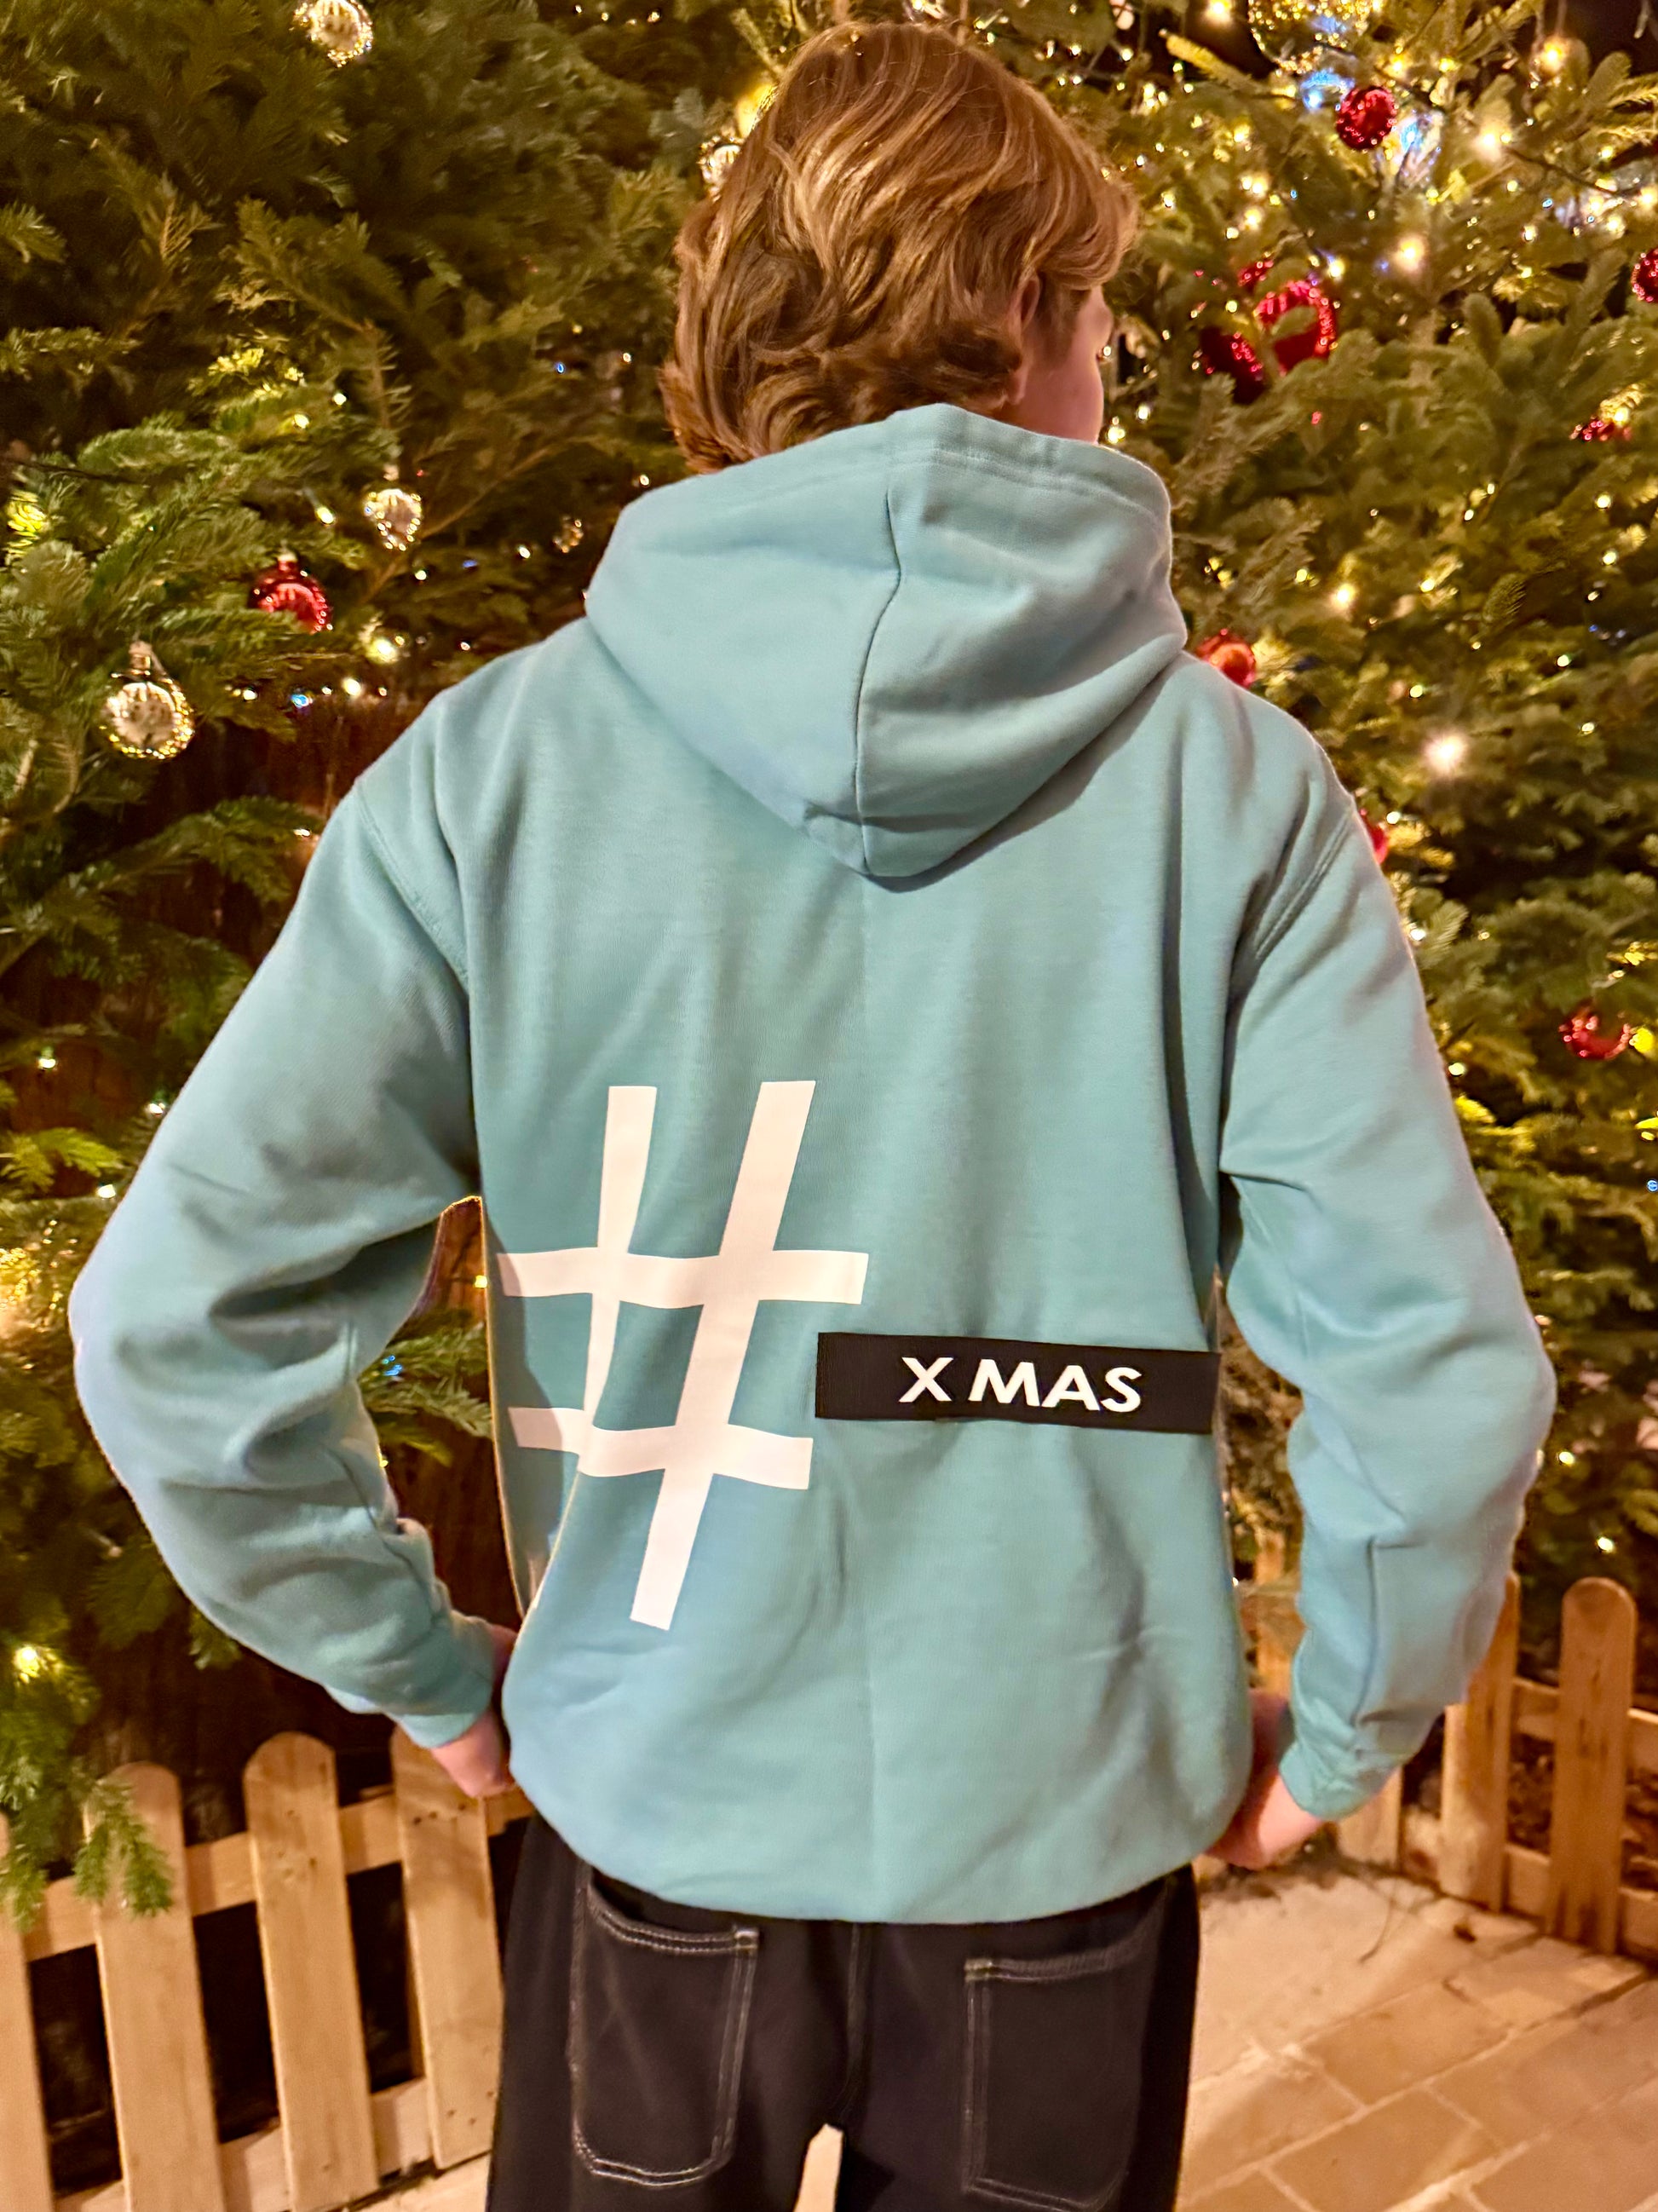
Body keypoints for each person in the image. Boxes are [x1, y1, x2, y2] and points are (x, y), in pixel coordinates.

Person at [70, 20, 1554, 2210]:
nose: (1116, 360)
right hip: (1058, 1834)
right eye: (1103, 311)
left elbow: (174, 1322)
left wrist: (422, 1672)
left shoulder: (492, 775)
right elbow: (1437, 1369)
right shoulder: (1236, 795)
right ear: (1034, 323)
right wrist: (1347, 1726)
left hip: (655, 1809)